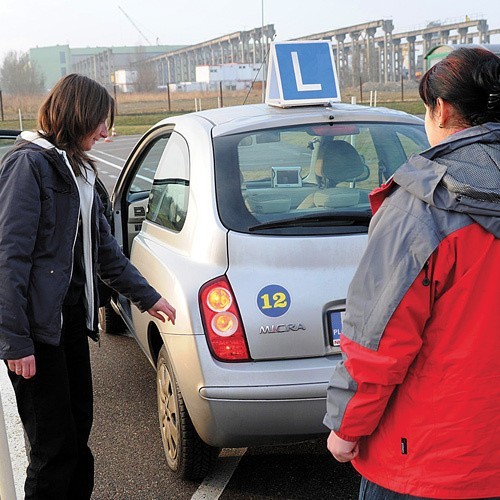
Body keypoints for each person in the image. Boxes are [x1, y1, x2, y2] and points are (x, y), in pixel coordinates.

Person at [324, 47, 500, 499]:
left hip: (428, 462)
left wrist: (346, 428)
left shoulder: (422, 207)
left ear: (441, 110)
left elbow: (378, 342)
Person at [0, 74, 176, 500]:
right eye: (101, 121)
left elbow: (104, 251)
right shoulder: (29, 166)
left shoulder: (77, 169)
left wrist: (147, 297)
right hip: (37, 336)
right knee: (53, 451)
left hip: (70, 325)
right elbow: (9, 260)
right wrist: (15, 342)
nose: (106, 132)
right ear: (77, 113)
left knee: (78, 433)